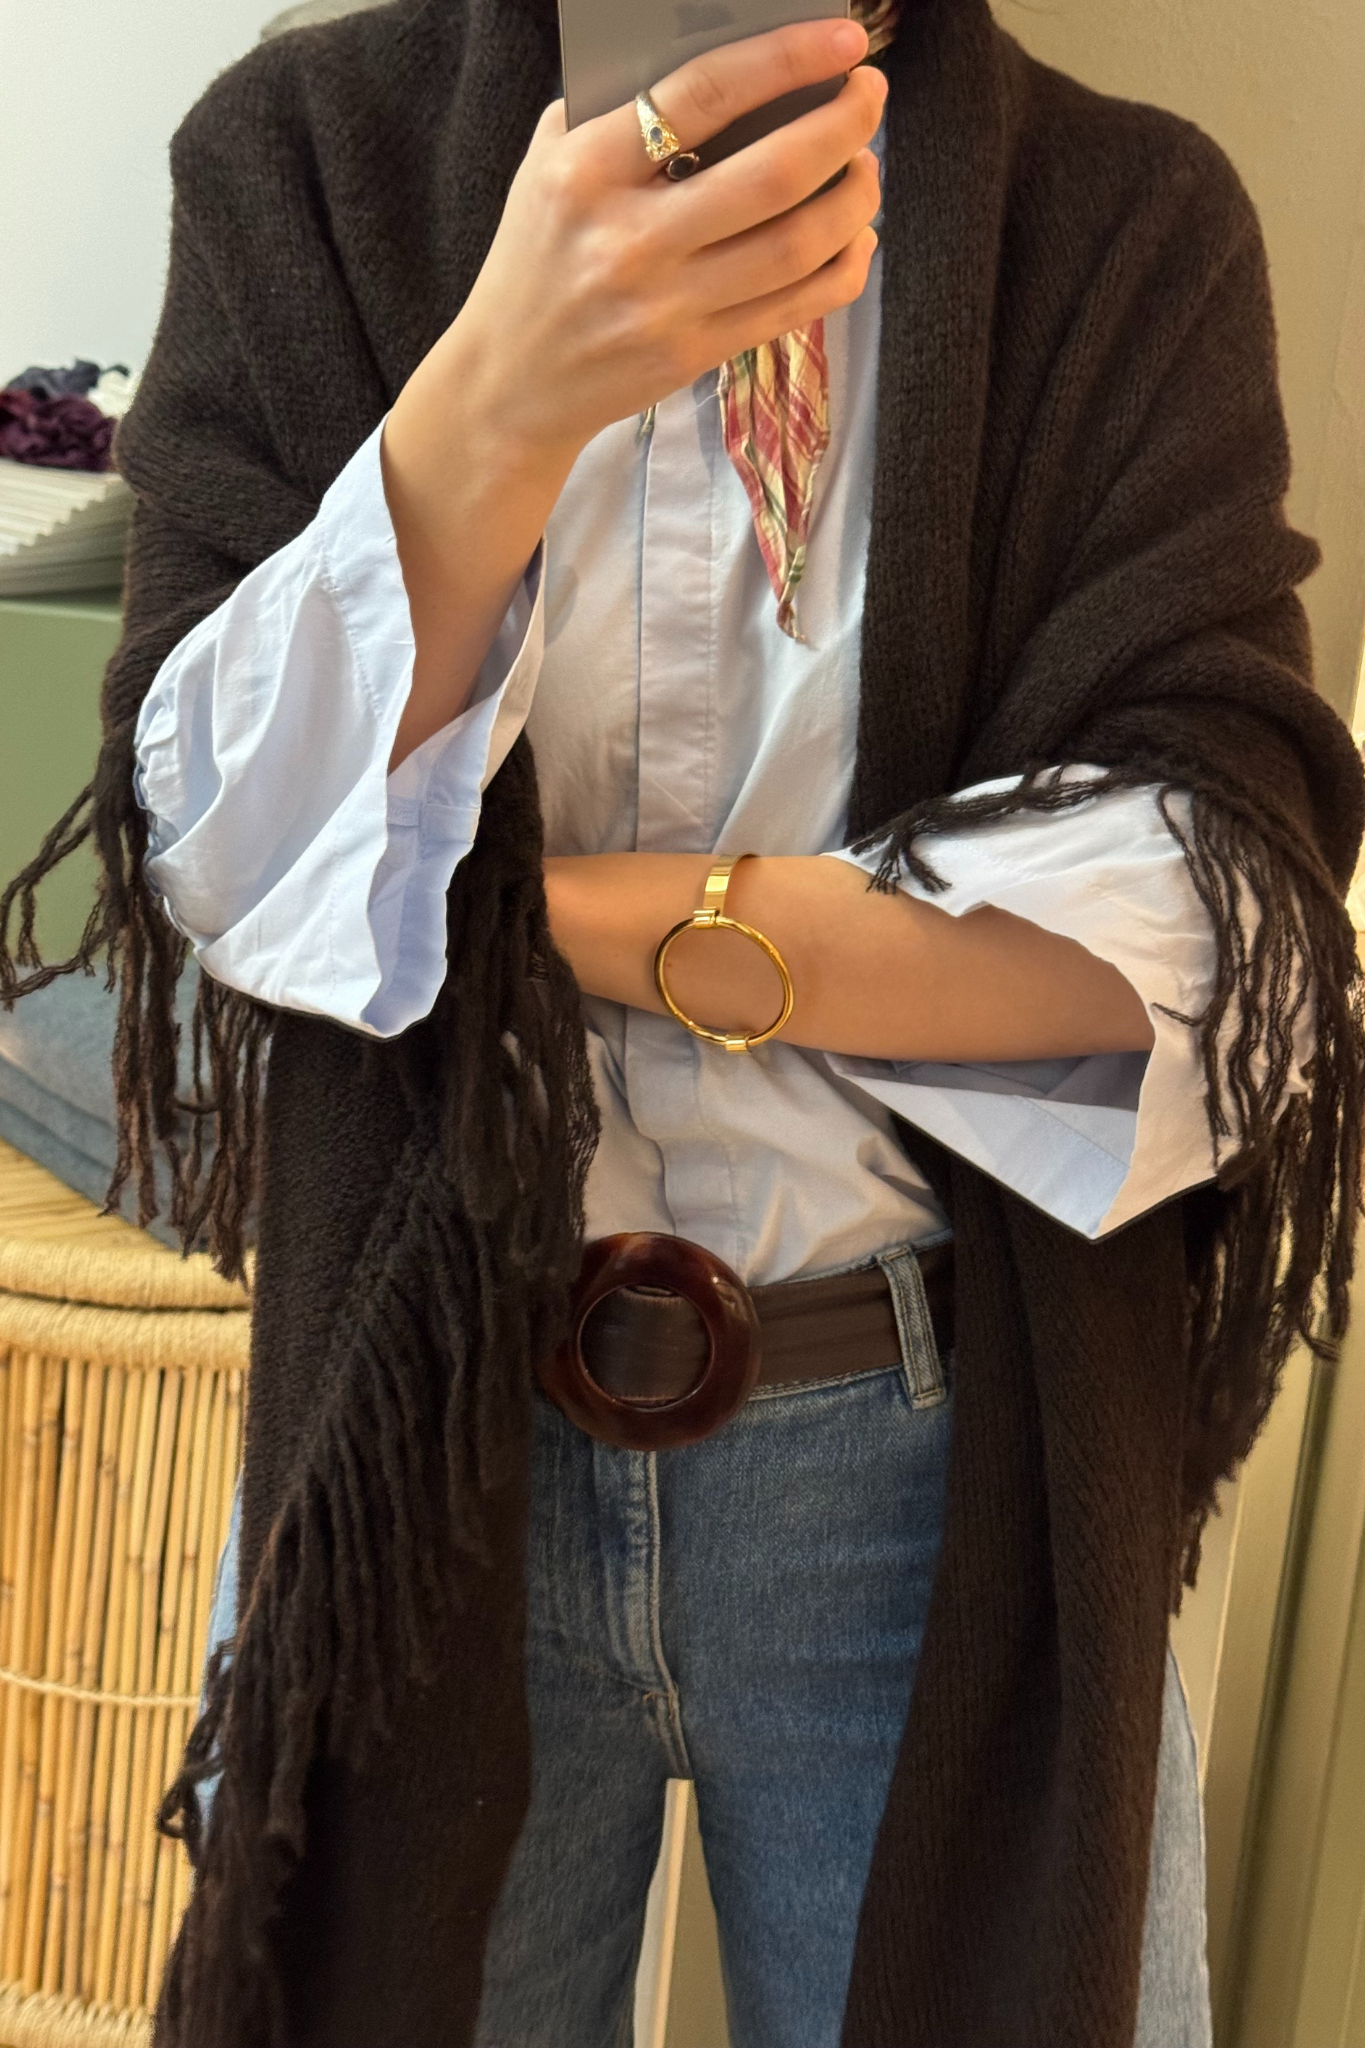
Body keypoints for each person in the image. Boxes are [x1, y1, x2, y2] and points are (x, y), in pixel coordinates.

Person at [2, 1, 1361, 2044]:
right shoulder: (308, 163)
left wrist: (530, 915)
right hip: (427, 1437)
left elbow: (1191, 934)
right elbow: (221, 864)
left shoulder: (1122, 229)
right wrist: (500, 399)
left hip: (922, 1465)